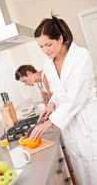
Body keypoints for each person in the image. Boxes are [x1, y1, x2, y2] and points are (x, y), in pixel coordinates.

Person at [30, 15, 97, 185]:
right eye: (41, 46)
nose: (46, 50)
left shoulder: (81, 56)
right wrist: (52, 103)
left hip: (87, 118)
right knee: (81, 168)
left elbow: (76, 96)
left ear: (60, 38)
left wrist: (50, 121)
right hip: (69, 124)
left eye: (48, 44)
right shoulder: (48, 64)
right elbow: (59, 91)